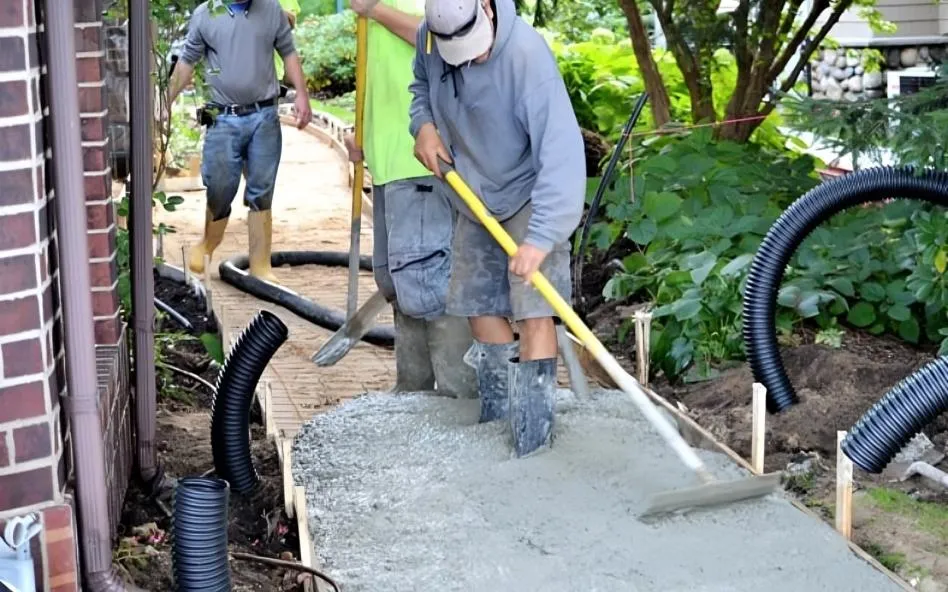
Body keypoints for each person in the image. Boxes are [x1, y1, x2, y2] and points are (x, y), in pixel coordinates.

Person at [408, 0, 586, 456]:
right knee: (477, 304)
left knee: (533, 313)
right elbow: (422, 88)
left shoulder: (527, 58)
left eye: (475, 49)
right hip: (474, 196)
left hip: (530, 196)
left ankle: (532, 440)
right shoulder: (432, 35)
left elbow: (562, 156)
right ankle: (498, 425)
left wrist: (541, 238)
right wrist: (423, 126)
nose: (470, 60)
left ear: (486, 8)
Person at [342, 0, 477, 397]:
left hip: (421, 161)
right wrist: (361, 131)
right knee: (400, 284)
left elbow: (446, 37)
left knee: (430, 285)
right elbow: (382, 69)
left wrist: (375, 10)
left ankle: (459, 403)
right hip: (388, 163)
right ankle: (413, 398)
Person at [168, 0, 313, 283]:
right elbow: (187, 62)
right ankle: (208, 243)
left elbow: (289, 54)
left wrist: (303, 96)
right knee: (220, 186)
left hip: (264, 115)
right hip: (222, 118)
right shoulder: (205, 15)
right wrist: (165, 102)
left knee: (262, 189)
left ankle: (260, 264)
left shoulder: (271, 10)